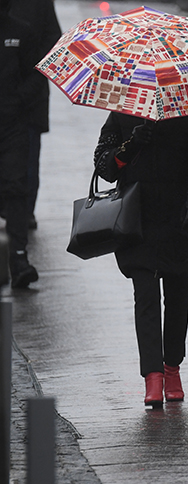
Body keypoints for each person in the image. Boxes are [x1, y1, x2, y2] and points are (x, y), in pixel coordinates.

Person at [94, 112, 188, 408]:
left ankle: (172, 368)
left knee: (177, 297)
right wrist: (131, 144)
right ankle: (152, 375)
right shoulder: (122, 110)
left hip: (178, 218)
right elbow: (104, 166)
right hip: (138, 220)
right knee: (146, 296)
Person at [0, 0, 44, 288]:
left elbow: (36, 74)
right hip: (13, 122)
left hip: (13, 126)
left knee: (15, 189)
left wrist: (16, 103)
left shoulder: (22, 31)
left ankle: (18, 259)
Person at [10, 0, 62, 230]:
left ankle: (23, 213)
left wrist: (26, 92)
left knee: (27, 161)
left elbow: (52, 44)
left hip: (28, 103)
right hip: (27, 98)